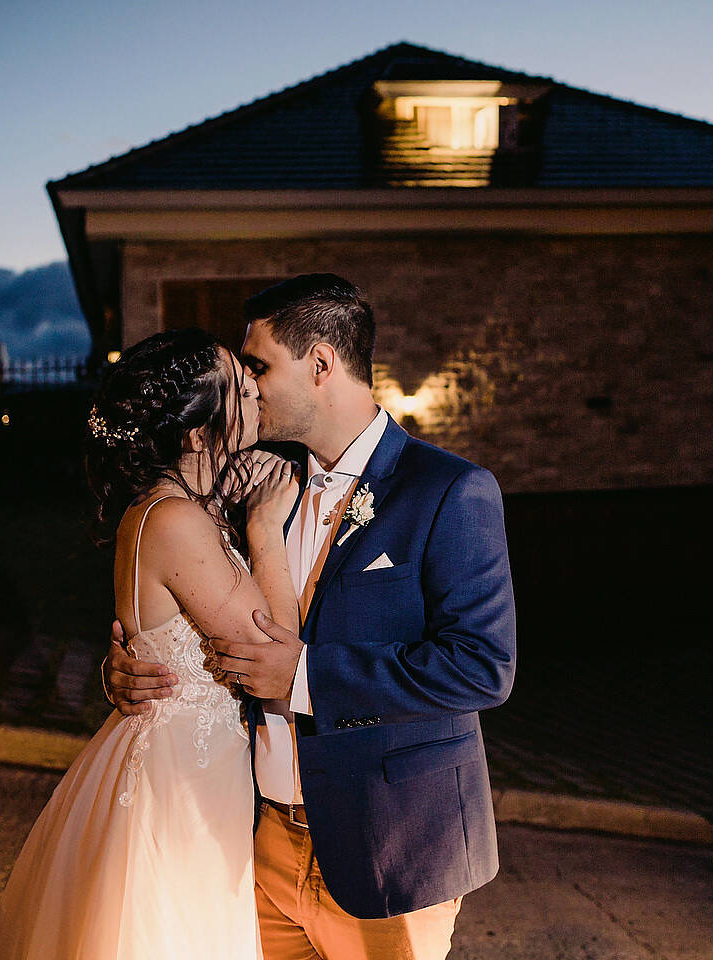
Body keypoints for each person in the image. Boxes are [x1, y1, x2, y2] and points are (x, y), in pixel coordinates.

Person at [104, 274, 518, 960]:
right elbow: (194, 607)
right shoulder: (256, 487)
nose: (248, 384)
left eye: (259, 366)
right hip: (257, 846)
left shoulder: (447, 490)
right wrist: (135, 664)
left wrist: (305, 677)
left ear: (321, 363)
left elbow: (482, 666)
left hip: (388, 847)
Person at [0, 328, 302, 959]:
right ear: (197, 434)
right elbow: (273, 647)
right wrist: (266, 528)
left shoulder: (180, 506)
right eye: (238, 385)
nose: (253, 384)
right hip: (183, 778)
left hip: (191, 760)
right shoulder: (176, 518)